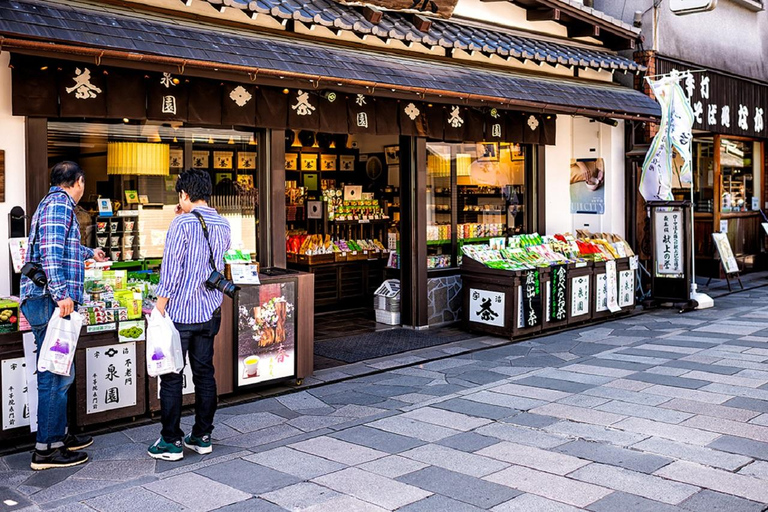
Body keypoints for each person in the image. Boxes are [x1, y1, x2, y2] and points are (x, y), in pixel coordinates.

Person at [21, 161, 107, 470]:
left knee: (58, 370)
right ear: (79, 181)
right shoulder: (60, 206)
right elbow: (51, 252)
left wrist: (89, 253)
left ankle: (58, 436)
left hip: (48, 301)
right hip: (49, 301)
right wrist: (61, 294)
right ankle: (47, 449)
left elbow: (62, 247)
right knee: (55, 374)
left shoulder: (52, 203)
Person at [149, 168, 231, 461]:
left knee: (172, 377)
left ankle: (171, 441)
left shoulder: (181, 224)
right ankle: (202, 436)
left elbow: (170, 270)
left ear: (184, 194)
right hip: (209, 310)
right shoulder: (223, 224)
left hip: (181, 313)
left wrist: (160, 305)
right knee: (204, 373)